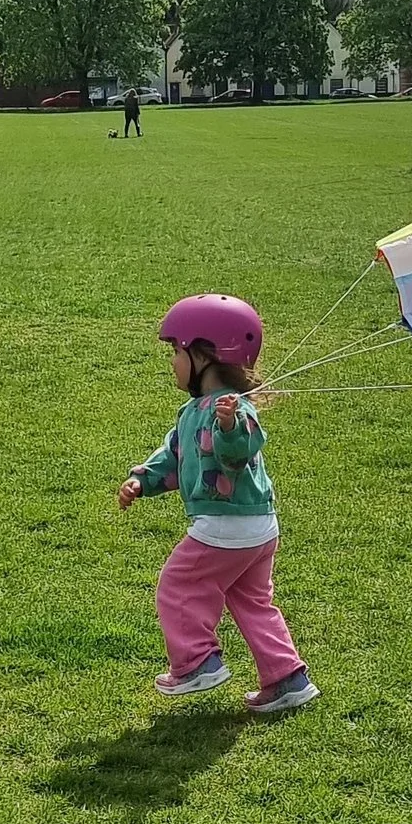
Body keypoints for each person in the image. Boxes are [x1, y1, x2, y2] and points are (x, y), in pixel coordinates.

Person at [119, 295, 319, 715]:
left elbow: (238, 450)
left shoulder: (234, 410)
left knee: (178, 586)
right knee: (252, 602)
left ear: (206, 355)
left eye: (177, 351)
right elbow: (175, 456)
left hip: (224, 527)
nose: (172, 361)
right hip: (258, 528)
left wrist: (228, 426)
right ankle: (287, 679)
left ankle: (196, 662)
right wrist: (142, 480)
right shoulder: (192, 410)